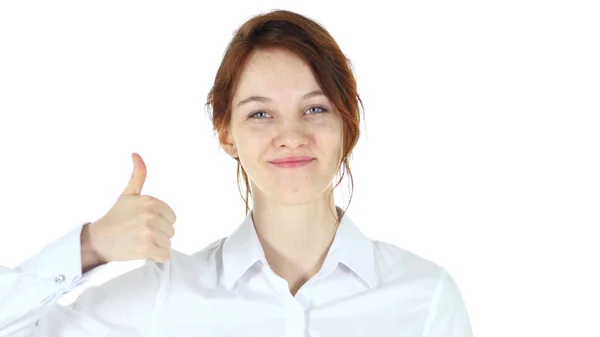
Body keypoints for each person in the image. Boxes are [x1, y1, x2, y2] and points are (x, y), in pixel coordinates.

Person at [0, 9, 473, 337]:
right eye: (260, 114)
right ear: (226, 135)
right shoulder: (168, 294)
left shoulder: (424, 296)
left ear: (348, 124)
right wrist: (90, 246)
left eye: (314, 108)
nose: (290, 135)